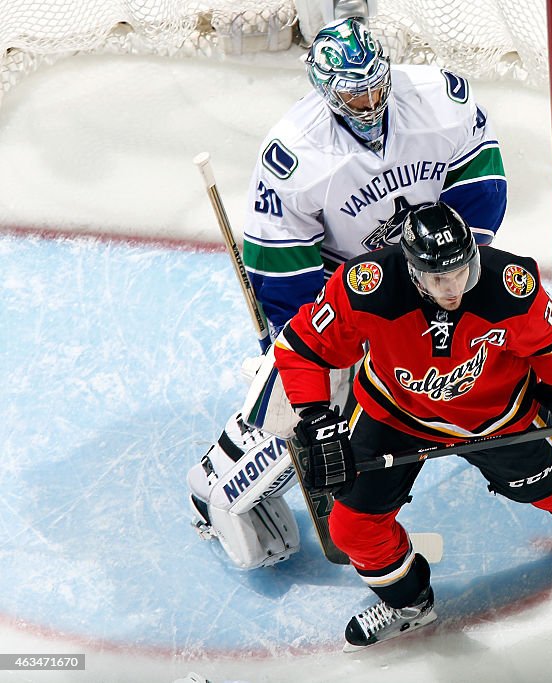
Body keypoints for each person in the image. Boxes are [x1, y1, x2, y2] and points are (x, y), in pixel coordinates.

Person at [186, 14, 508, 570]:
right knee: (307, 405)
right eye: (352, 92)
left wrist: (450, 270)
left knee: (504, 323)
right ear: (325, 91)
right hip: (353, 288)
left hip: (438, 258)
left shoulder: (440, 96)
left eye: (375, 82)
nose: (369, 99)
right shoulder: (294, 154)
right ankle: (218, 488)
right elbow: (282, 268)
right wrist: (317, 340)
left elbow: (482, 180)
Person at [273, 201, 552, 650]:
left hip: (495, 416)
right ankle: (409, 605)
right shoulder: (367, 287)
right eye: (440, 278)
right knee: (352, 527)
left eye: (462, 271)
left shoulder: (508, 286)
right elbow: (302, 348)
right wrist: (315, 416)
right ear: (414, 272)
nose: (455, 287)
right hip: (394, 412)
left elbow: (551, 343)